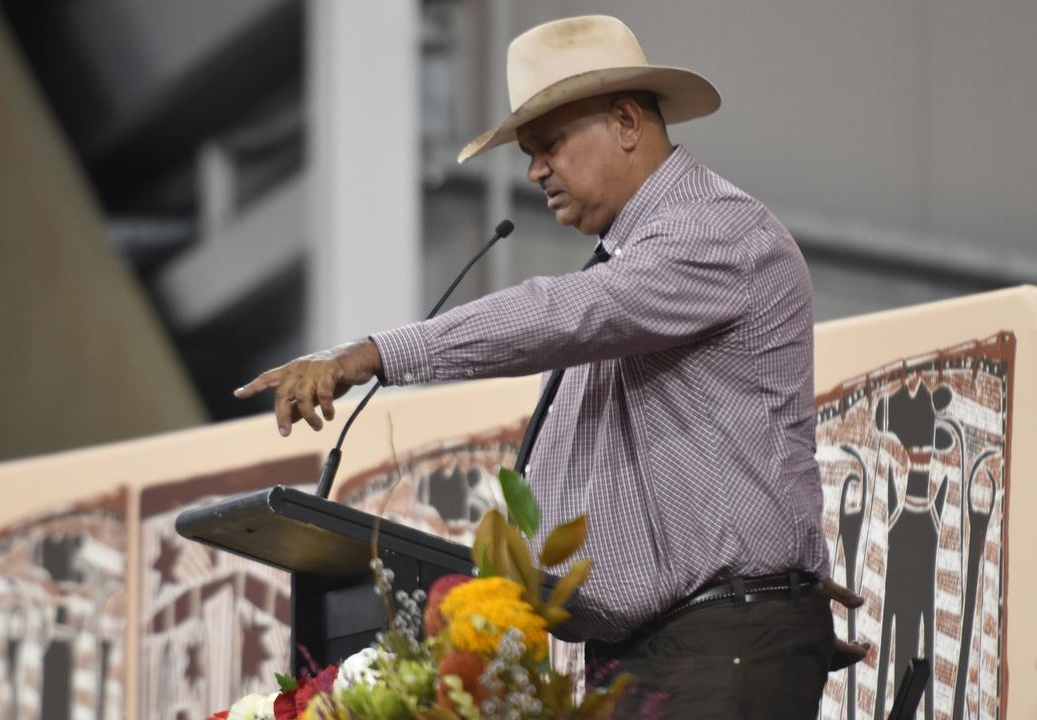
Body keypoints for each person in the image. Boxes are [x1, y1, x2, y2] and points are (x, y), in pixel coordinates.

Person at [235, 15, 867, 718]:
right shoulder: (635, 268)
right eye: (531, 151)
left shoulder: (713, 232)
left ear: (627, 122)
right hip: (671, 648)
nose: (534, 170)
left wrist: (377, 353)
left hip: (722, 640)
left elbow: (561, 314)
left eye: (550, 145)